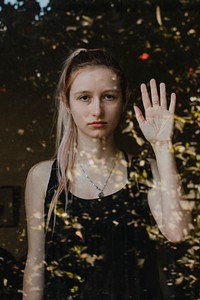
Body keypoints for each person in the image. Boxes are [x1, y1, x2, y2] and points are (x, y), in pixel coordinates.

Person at [23, 48, 191, 300]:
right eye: (84, 97)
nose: (97, 110)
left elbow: (178, 232)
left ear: (124, 100)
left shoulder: (146, 172)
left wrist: (161, 146)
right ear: (66, 102)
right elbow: (35, 263)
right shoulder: (42, 176)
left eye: (109, 97)